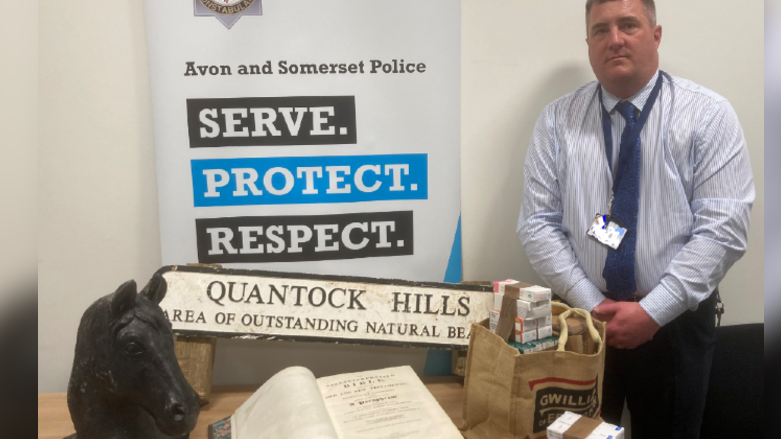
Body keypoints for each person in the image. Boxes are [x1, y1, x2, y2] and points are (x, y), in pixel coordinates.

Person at [516, 0, 754, 437]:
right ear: (588, 43)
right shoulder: (556, 122)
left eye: (629, 25)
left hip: (674, 325)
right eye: (601, 29)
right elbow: (537, 224)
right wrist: (592, 305)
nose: (616, 39)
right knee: (575, 434)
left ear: (656, 35)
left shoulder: (708, 115)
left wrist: (652, 311)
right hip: (583, 325)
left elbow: (724, 229)